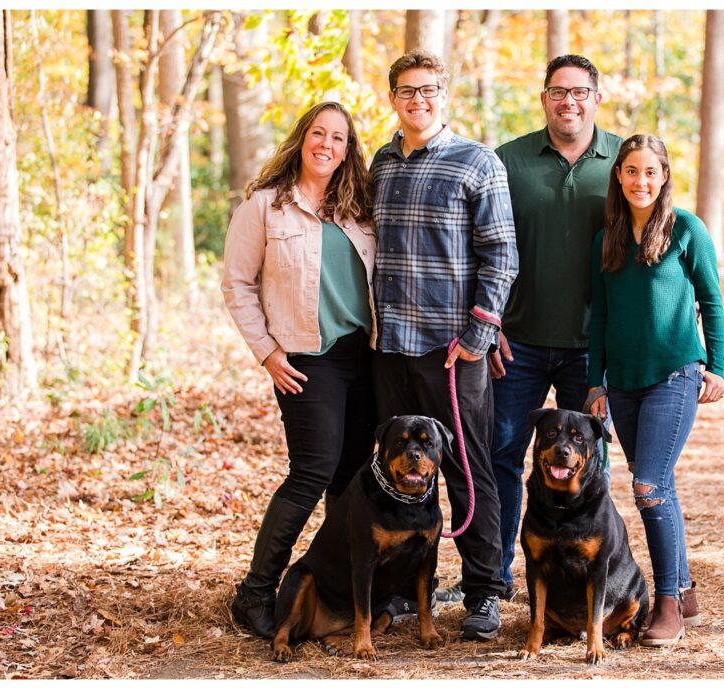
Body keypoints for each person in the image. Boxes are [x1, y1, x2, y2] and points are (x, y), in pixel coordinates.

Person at [370, 50, 518, 641]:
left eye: (428, 89)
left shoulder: (476, 162)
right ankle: (409, 590)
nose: (418, 100)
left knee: (466, 470)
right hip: (390, 347)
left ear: (444, 95)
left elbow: (501, 256)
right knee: (399, 472)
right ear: (393, 99)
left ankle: (484, 592)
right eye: (407, 91)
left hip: (451, 351)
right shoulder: (380, 163)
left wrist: (480, 335)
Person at [221, 102, 378, 638]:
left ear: (347, 149)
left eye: (338, 137)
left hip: (365, 355)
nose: (327, 144)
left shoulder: (357, 207)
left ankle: (334, 591)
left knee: (353, 478)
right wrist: (266, 351)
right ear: (302, 138)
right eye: (319, 133)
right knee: (312, 471)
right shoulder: (264, 207)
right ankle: (255, 593)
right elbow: (237, 285)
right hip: (306, 360)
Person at [482, 54, 622, 599]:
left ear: (596, 97)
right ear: (544, 98)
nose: (569, 101)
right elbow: (484, 248)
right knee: (501, 456)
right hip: (516, 342)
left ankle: (588, 584)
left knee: (591, 464)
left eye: (580, 92)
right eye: (558, 92)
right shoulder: (507, 160)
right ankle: (492, 582)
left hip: (590, 349)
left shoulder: (623, 162)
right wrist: (488, 324)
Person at [587, 134, 724, 647]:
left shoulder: (686, 230)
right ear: (618, 176)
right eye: (631, 171)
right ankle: (685, 589)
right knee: (659, 484)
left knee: (647, 486)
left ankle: (667, 603)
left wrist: (717, 366)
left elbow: (712, 302)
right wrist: (593, 382)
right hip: (621, 383)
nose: (640, 181)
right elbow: (598, 315)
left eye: (650, 171)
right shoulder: (606, 238)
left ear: (664, 176)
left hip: (675, 374)